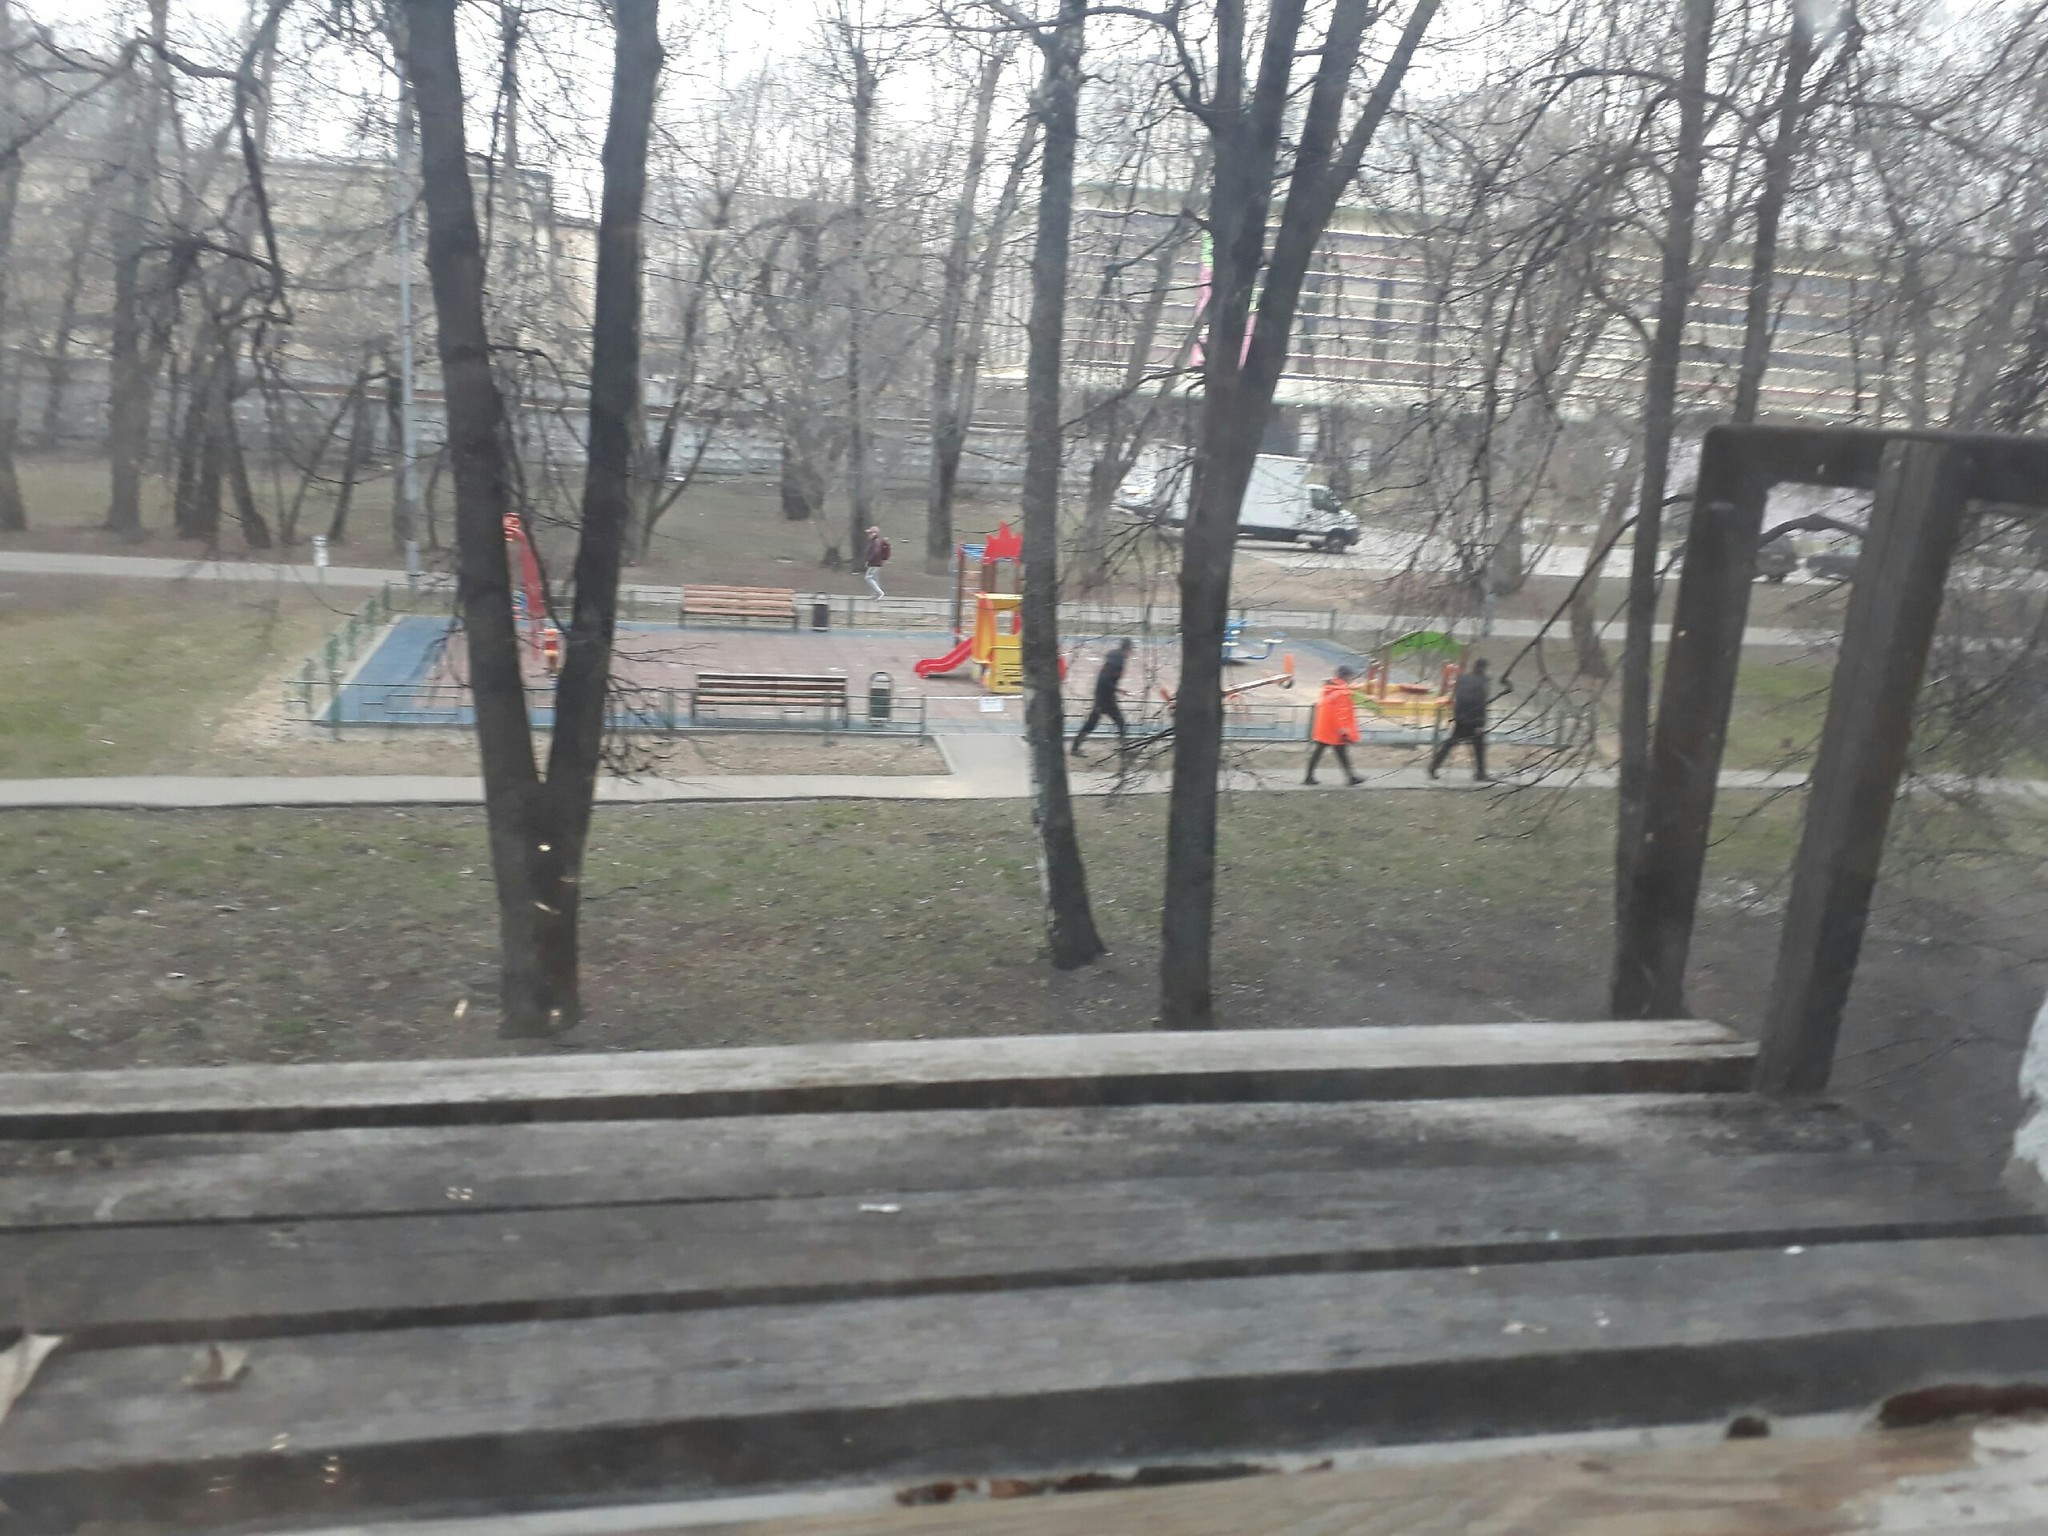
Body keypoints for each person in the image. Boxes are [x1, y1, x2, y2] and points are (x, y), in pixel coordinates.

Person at [1429, 657, 1492, 782]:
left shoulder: (1462, 678)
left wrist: (1457, 715)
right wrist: (1481, 722)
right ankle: (1480, 773)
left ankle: (1434, 766)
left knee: (1451, 743)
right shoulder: (1482, 682)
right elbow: (1480, 703)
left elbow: (1456, 697)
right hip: (1474, 719)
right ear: (1484, 668)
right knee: (1479, 746)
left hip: (1461, 717)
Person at [1071, 637, 1135, 756]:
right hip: (1104, 699)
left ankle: (1075, 748)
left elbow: (1105, 679)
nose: (1131, 653)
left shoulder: (1115, 658)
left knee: (1112, 723)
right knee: (1115, 723)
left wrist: (1115, 690)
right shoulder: (1117, 661)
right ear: (1127, 649)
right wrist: (1117, 689)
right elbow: (1104, 680)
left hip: (1104, 696)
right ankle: (1124, 749)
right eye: (1130, 650)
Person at [1306, 665, 1365, 786]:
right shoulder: (1342, 692)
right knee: (1341, 753)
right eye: (1351, 676)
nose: (1351, 679)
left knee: (1320, 752)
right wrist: (1344, 730)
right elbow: (1341, 712)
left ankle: (1309, 777)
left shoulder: (1328, 689)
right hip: (1336, 730)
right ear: (1346, 676)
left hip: (1325, 727)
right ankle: (1351, 777)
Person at [860, 526, 891, 599]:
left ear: (875, 533)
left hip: (874, 563)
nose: (869, 535)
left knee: (868, 577)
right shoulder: (878, 541)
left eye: (870, 533)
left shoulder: (876, 541)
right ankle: (875, 595)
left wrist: (869, 560)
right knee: (875, 578)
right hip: (877, 562)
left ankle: (880, 592)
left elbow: (875, 552)